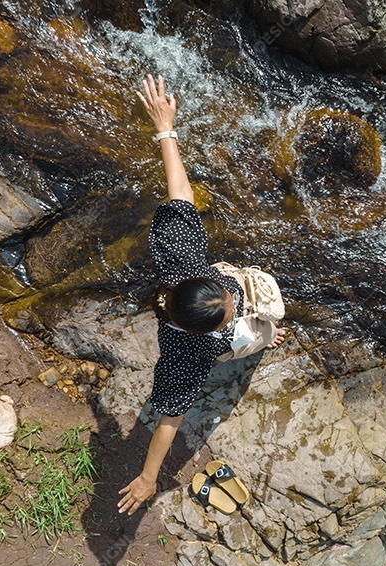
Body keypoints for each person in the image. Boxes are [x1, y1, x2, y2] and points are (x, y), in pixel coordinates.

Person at [117, 74, 286, 516]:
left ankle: (264, 334)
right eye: (231, 315)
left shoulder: (181, 262)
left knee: (254, 322)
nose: (238, 307)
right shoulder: (186, 356)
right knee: (256, 336)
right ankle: (266, 339)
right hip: (226, 348)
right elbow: (169, 421)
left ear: (201, 282)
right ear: (203, 333)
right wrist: (148, 478)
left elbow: (181, 193)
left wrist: (165, 128)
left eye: (231, 301)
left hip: (205, 312)